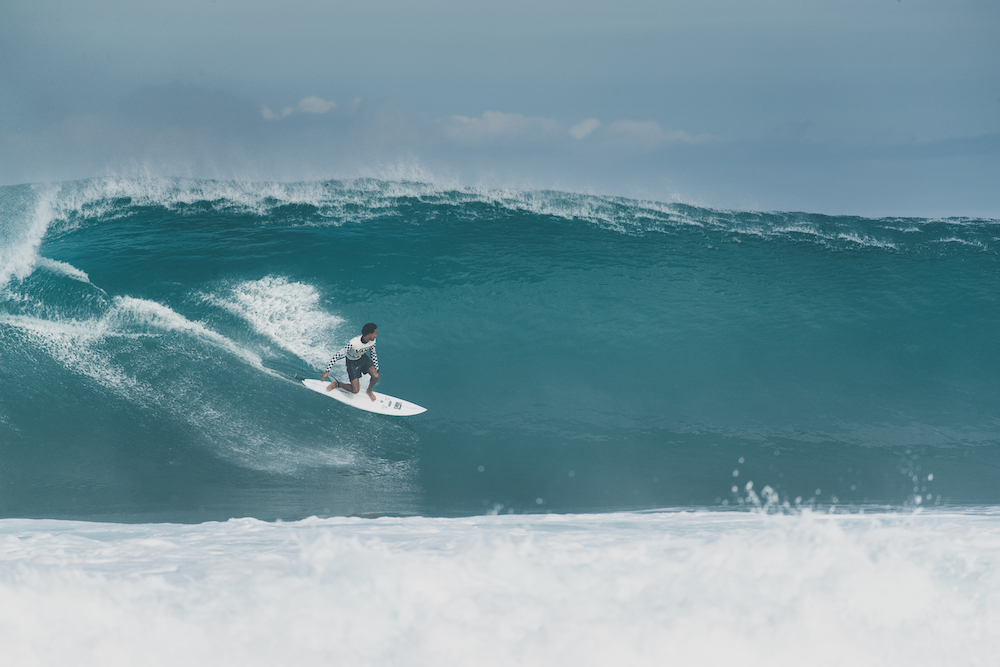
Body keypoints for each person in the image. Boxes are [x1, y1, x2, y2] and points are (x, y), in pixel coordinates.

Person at [320, 323, 380, 402]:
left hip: (363, 358)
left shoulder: (372, 341)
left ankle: (369, 391)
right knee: (355, 390)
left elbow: (373, 354)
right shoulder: (353, 343)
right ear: (369, 334)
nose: (376, 336)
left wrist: (376, 367)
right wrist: (327, 371)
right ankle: (337, 384)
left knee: (376, 376)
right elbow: (337, 355)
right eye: (375, 333)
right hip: (352, 362)